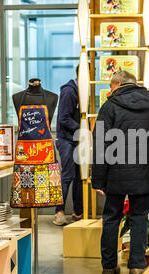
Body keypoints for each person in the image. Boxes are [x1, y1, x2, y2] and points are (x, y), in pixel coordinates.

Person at [92, 71, 149, 274]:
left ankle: (108, 265)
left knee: (111, 218)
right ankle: (137, 266)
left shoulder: (110, 106)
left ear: (117, 84)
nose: (110, 91)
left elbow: (100, 144)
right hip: (145, 173)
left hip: (115, 173)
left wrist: (98, 179)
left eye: (111, 86)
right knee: (139, 217)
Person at [53, 66, 83, 226]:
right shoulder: (69, 91)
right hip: (66, 140)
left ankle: (78, 212)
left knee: (79, 177)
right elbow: (64, 118)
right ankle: (59, 211)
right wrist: (83, 128)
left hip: (78, 140)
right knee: (67, 176)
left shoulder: (83, 91)